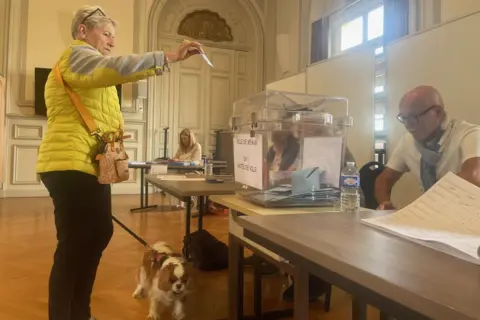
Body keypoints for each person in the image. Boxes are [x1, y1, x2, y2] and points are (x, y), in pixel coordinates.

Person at [36, 6, 203, 320]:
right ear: (83, 31)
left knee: (99, 233)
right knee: (74, 246)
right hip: (69, 164)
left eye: (114, 36)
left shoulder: (89, 65)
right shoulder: (78, 55)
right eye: (107, 33)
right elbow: (113, 67)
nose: (112, 42)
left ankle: (80, 313)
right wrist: (166, 57)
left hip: (87, 164)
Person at [375, 85, 480, 210]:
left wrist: (422, 207)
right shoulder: (408, 141)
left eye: (414, 117)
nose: (408, 125)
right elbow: (384, 179)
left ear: (438, 112)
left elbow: (474, 177)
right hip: (431, 219)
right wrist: (385, 203)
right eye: (404, 118)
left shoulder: (470, 134)